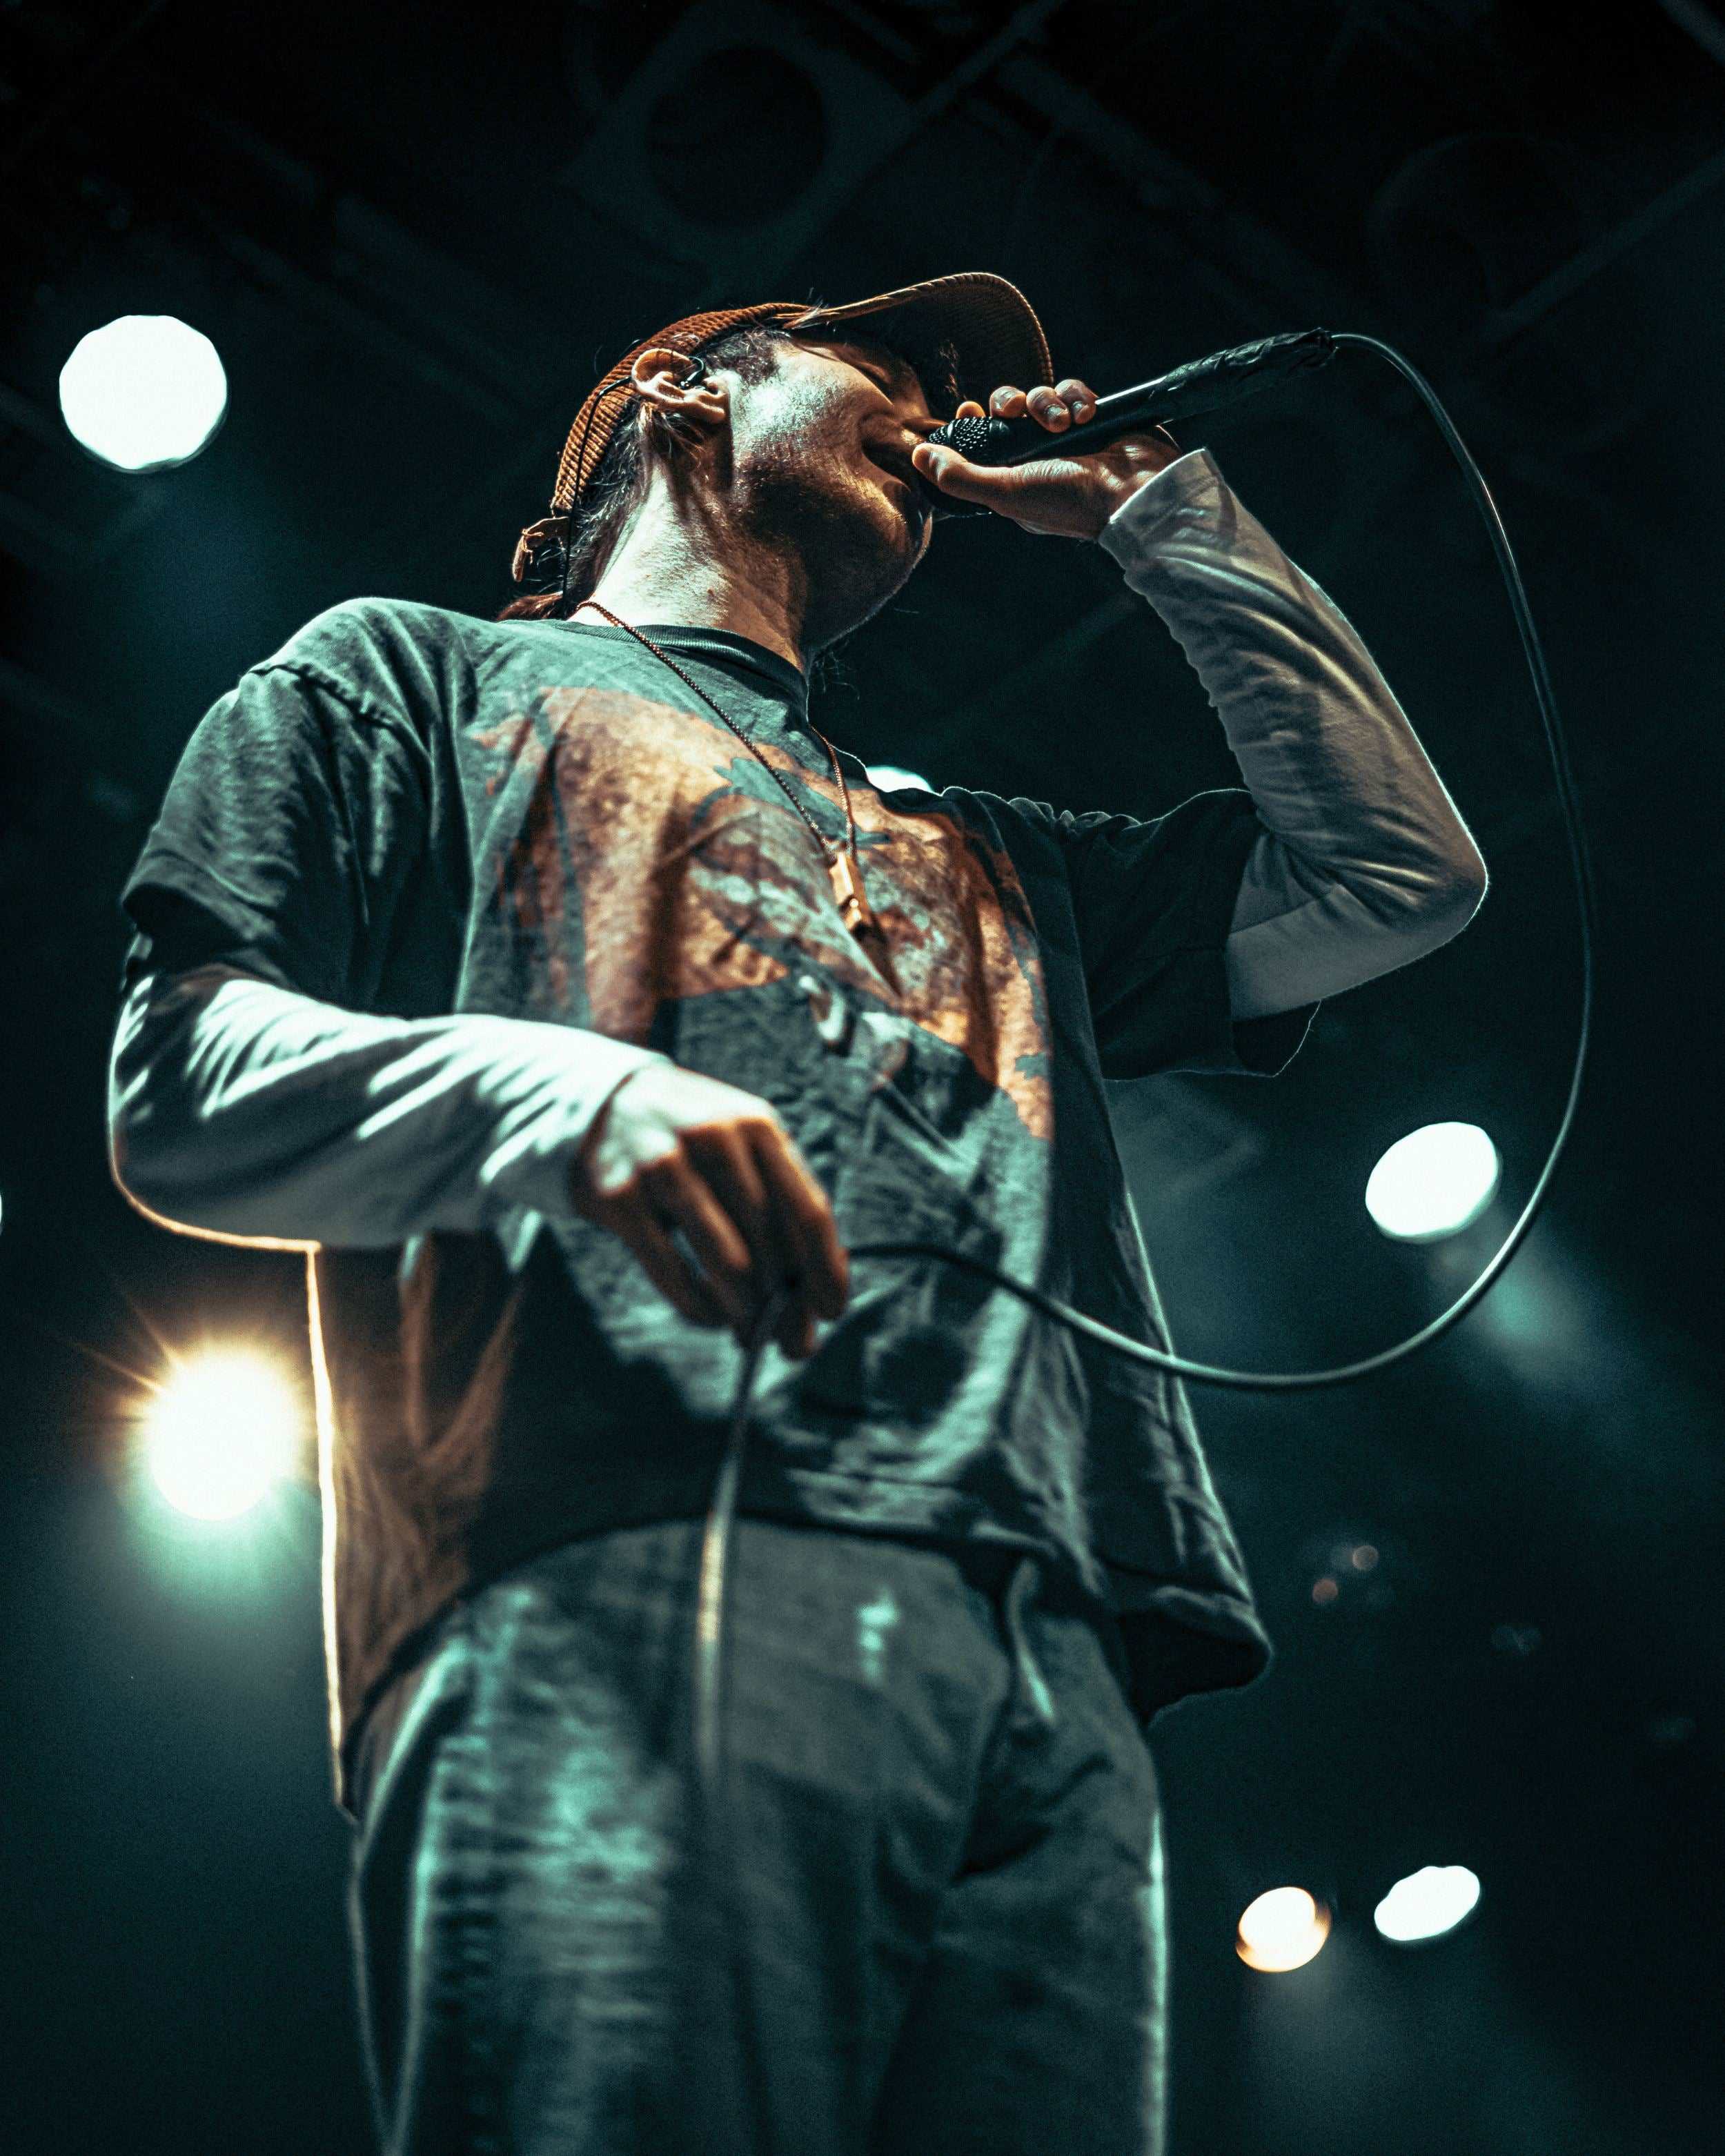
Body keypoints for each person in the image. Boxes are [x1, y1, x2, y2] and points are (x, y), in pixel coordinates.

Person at [107, 271, 1486, 2155]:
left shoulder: (987, 852)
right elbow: (180, 1083)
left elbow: (1397, 877)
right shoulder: (409, 678)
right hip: (608, 1548)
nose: (933, 404)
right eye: (882, 360)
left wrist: (1166, 519)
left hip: (1050, 1622)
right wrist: (552, 1090)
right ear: (689, 389)